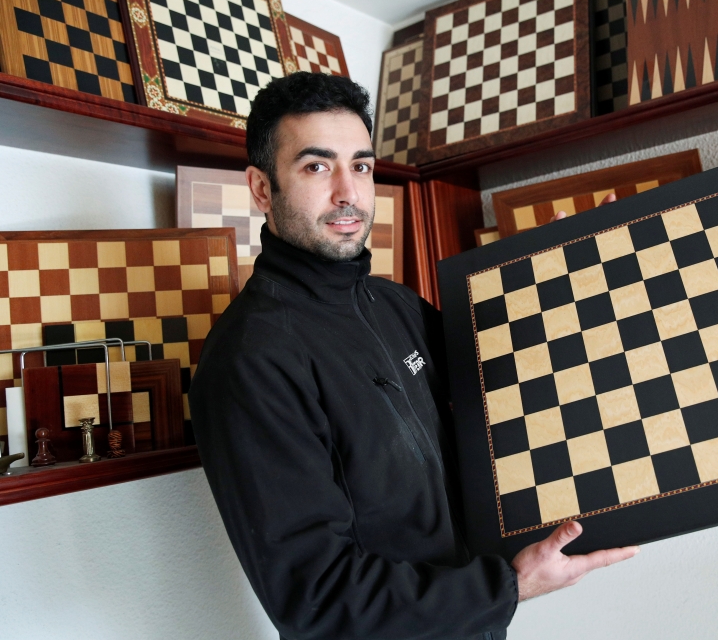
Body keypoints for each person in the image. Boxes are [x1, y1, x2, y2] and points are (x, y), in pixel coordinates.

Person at [189, 72, 637, 640]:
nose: (348, 192)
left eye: (362, 165)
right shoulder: (249, 361)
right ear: (260, 188)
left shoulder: (392, 304)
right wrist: (510, 587)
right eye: (316, 166)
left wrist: (546, 282)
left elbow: (496, 385)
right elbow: (317, 600)